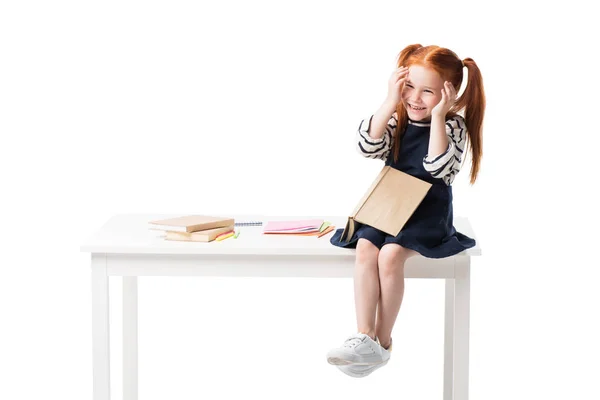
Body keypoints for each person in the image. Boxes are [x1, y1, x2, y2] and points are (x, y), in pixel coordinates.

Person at [326, 44, 486, 378]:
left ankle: (382, 343)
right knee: (368, 248)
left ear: (448, 95)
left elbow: (439, 167)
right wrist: (388, 100)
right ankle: (363, 335)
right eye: (409, 86)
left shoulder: (452, 126)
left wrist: (439, 116)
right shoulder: (397, 117)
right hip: (390, 204)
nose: (414, 98)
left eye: (427, 92)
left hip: (427, 210)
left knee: (390, 255)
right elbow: (367, 146)